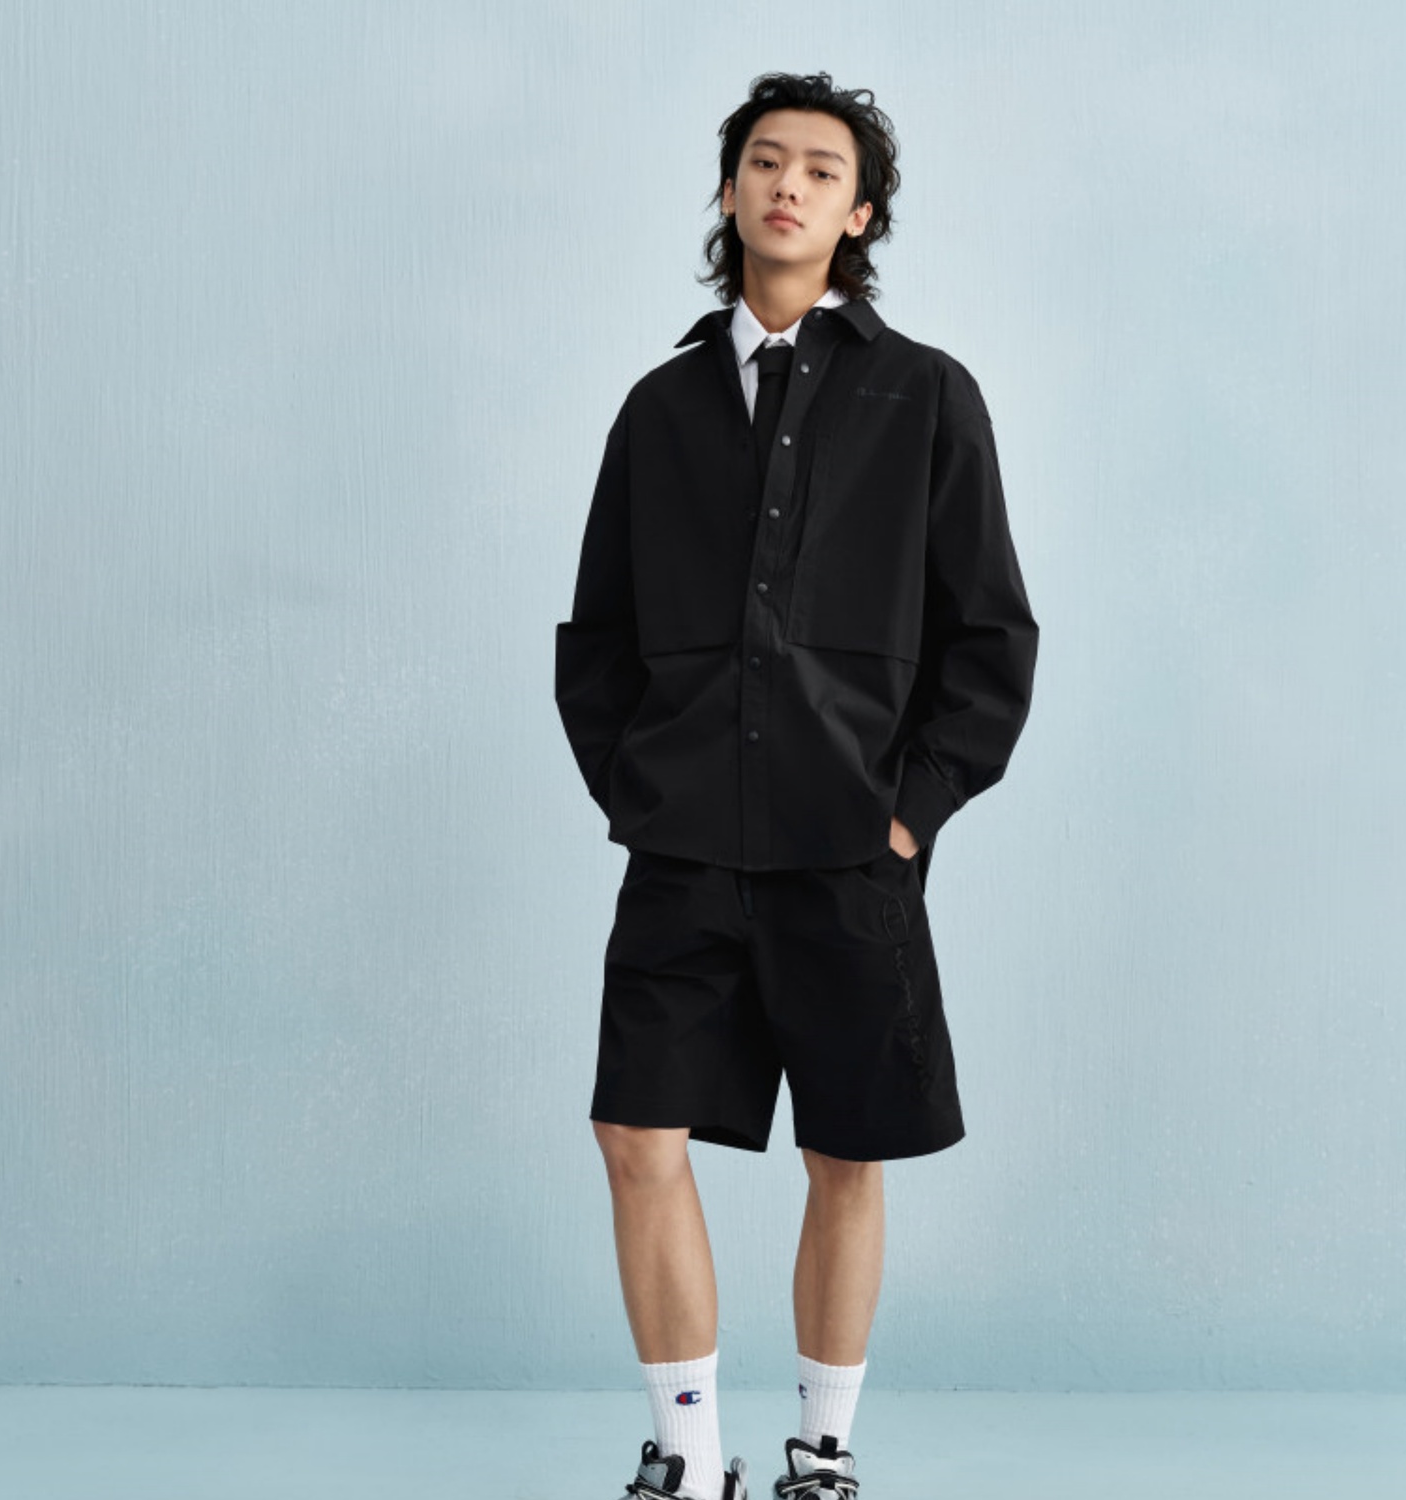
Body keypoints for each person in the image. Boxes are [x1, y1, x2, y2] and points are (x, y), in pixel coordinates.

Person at [554, 71, 1039, 1500]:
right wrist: (637, 787)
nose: (789, 185)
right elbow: (599, 638)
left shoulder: (926, 397)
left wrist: (910, 812)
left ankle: (821, 1455)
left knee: (846, 1151)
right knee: (635, 1132)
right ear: (729, 191)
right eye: (766, 161)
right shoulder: (659, 410)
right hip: (686, 843)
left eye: (823, 170)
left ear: (859, 213)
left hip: (850, 848)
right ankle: (688, 1452)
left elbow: (991, 635)